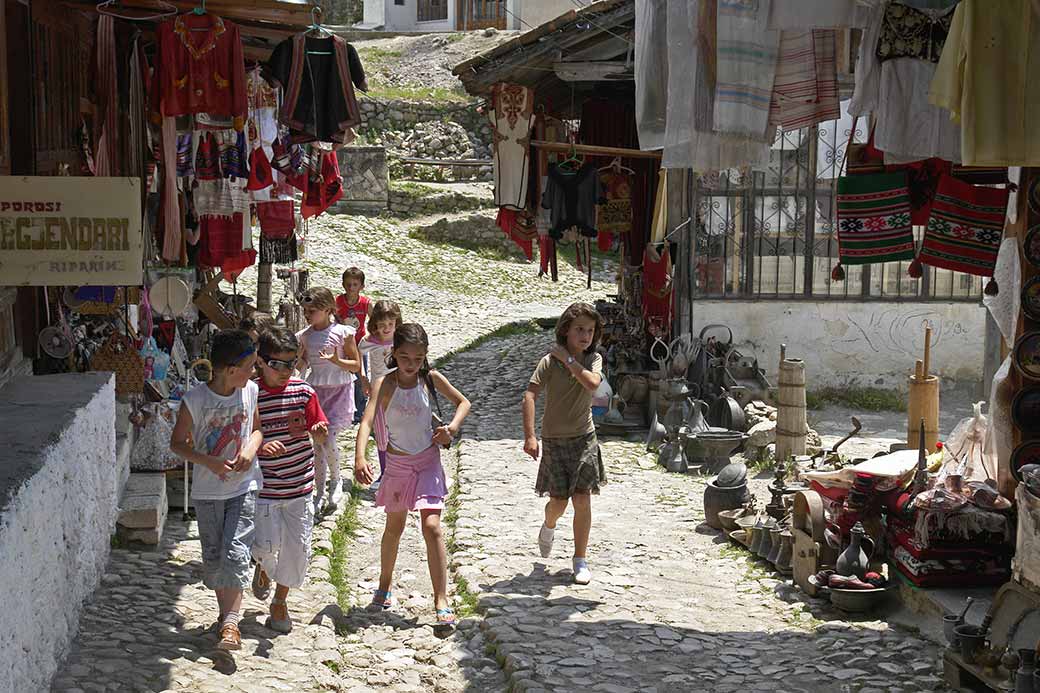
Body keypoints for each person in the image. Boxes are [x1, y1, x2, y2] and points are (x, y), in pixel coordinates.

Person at [354, 323, 470, 627]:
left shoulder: (430, 379)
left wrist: (452, 429)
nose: (411, 364)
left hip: (428, 462)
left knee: (432, 527)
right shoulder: (385, 384)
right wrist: (359, 456)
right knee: (395, 526)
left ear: (425, 357)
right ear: (394, 354)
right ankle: (384, 582)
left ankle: (441, 598)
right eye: (405, 357)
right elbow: (366, 422)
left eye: (418, 359)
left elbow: (463, 402)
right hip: (397, 465)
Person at [170, 329, 264, 651]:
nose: (255, 372)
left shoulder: (250, 390)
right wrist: (208, 462)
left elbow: (257, 430)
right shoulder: (195, 400)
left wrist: (251, 449)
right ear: (229, 369)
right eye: (250, 365)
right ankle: (227, 620)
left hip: (243, 486)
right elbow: (178, 444)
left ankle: (230, 624)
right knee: (214, 557)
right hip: (208, 492)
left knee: (236, 552)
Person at [521, 302, 607, 585]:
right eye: (579, 329)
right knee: (558, 502)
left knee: (582, 499)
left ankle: (579, 559)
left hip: (584, 437)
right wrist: (530, 436)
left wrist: (569, 361)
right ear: (566, 331)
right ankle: (549, 525)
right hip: (555, 440)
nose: (585, 335)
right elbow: (530, 395)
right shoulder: (549, 362)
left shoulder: (593, 359)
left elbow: (593, 384)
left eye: (590, 330)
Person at [251, 326, 329, 634]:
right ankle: (263, 567)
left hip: (299, 487)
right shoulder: (250, 394)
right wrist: (258, 446)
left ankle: (279, 601)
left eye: (291, 363)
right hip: (266, 490)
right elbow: (240, 436)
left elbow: (317, 423)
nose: (285, 371)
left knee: (297, 549)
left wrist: (320, 431)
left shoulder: (304, 392)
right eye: (277, 364)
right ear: (260, 361)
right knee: (266, 546)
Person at [297, 287, 361, 514]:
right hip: (317, 392)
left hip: (339, 390)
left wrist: (337, 361)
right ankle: (320, 489)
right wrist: (296, 372)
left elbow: (356, 365)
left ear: (327, 310)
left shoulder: (343, 333)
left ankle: (336, 481)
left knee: (329, 438)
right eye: (305, 311)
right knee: (317, 442)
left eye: (311, 311)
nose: (307, 315)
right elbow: (304, 361)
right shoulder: (305, 335)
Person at [357, 300, 402, 482]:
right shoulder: (367, 342)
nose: (386, 329)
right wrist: (363, 379)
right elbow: (358, 357)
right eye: (382, 325)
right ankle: (385, 472)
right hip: (378, 394)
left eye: (390, 325)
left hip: (399, 392)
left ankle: (401, 469)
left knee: (400, 432)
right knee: (381, 434)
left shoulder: (400, 340)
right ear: (374, 324)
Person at [336, 267, 371, 424]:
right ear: (343, 284)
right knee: (340, 377)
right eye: (348, 284)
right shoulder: (338, 301)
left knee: (360, 378)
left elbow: (376, 319)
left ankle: (360, 410)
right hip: (342, 345)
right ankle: (342, 407)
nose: (351, 288)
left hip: (360, 346)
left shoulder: (365, 303)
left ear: (361, 286)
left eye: (355, 284)